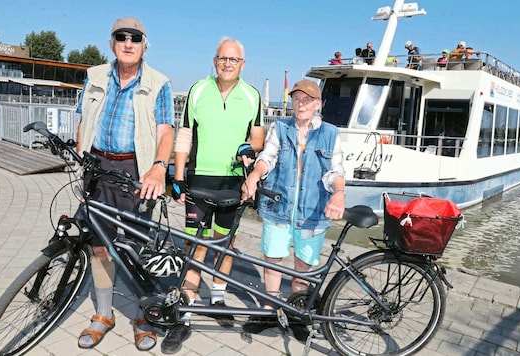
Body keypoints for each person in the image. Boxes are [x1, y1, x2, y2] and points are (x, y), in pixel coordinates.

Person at [75, 16, 174, 352]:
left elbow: (165, 131)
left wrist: (159, 168)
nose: (128, 43)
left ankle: (143, 317)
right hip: (98, 166)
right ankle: (104, 315)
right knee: (99, 244)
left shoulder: (159, 83)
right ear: (112, 43)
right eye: (121, 37)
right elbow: (83, 119)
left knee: (135, 249)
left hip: (136, 171)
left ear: (145, 45)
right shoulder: (93, 77)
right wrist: (79, 154)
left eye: (135, 38)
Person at [168, 36, 265, 354]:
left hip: (233, 183)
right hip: (199, 181)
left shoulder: (252, 96)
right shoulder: (198, 90)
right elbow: (184, 135)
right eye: (223, 58)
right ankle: (185, 312)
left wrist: (249, 150)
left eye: (234, 60)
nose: (227, 63)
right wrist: (178, 177)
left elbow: (259, 138)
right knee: (195, 245)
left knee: (225, 243)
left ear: (243, 64)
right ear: (215, 61)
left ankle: (219, 301)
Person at [240, 79, 346, 341]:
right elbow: (268, 157)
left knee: (303, 266)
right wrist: (254, 176)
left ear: (318, 104)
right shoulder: (280, 127)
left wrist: (340, 192)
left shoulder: (331, 133)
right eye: (297, 99)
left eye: (308, 99)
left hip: (313, 211)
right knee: (273, 260)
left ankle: (297, 311)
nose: (302, 104)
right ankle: (269, 309)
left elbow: (336, 170)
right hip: (279, 206)